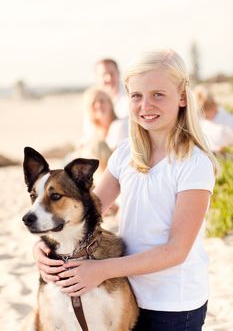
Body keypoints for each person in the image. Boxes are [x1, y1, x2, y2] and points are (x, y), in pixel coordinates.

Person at [33, 48, 217, 330]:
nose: (146, 105)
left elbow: (176, 251)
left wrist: (101, 270)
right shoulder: (125, 154)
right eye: (136, 95)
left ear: (181, 96)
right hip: (127, 291)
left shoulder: (194, 163)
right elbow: (89, 213)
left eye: (158, 94)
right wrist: (41, 248)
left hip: (173, 303)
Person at [194, 85, 233, 152]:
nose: (202, 115)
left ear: (212, 105)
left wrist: (225, 149)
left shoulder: (228, 121)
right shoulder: (199, 120)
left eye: (204, 111)